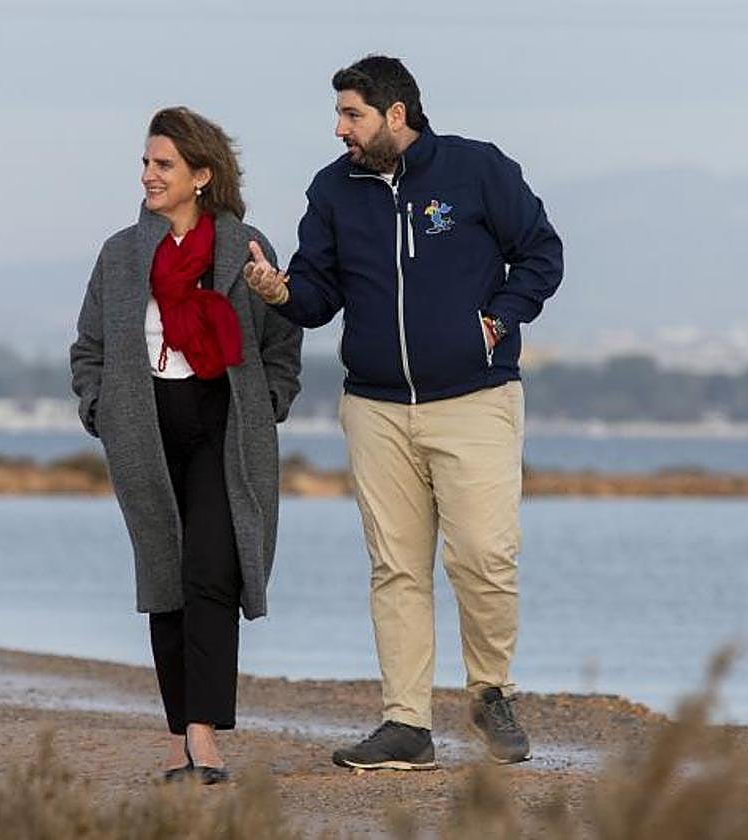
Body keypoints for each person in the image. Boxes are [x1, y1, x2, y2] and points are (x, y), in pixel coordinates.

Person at [243, 55, 563, 769]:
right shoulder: (332, 190)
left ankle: (490, 693)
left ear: (396, 114)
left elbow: (541, 253)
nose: (339, 129)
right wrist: (277, 292)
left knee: (484, 556)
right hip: (376, 408)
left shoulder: (477, 170)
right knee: (396, 568)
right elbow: (317, 298)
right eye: (339, 115)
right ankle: (405, 725)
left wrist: (498, 321)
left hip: (476, 400)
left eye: (351, 114)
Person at [70, 106, 302, 784]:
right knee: (166, 577)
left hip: (224, 423)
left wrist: (269, 402)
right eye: (146, 162)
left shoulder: (244, 247)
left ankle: (203, 734)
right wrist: (100, 408)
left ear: (202, 175)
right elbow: (89, 347)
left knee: (212, 570)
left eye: (163, 164)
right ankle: (178, 738)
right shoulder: (120, 255)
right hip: (143, 423)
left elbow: (283, 337)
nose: (148, 175)